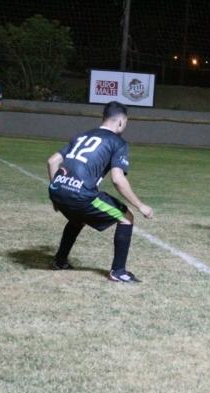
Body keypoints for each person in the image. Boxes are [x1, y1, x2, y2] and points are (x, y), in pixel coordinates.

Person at [47, 101, 154, 282]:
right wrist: (141, 205)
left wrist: (56, 192)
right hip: (80, 194)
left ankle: (60, 261)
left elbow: (52, 161)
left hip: (58, 189)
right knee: (126, 217)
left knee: (77, 218)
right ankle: (118, 272)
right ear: (121, 121)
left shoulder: (82, 135)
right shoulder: (118, 142)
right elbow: (117, 179)